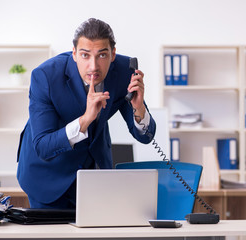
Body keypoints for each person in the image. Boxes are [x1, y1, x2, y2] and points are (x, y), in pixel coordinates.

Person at [16, 18, 156, 209]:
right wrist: (85, 120)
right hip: (47, 175)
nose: (93, 66)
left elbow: (146, 137)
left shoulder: (124, 71)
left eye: (102, 55)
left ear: (113, 54)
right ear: (74, 54)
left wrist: (139, 108)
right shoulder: (45, 76)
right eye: (85, 55)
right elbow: (43, 146)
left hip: (94, 175)